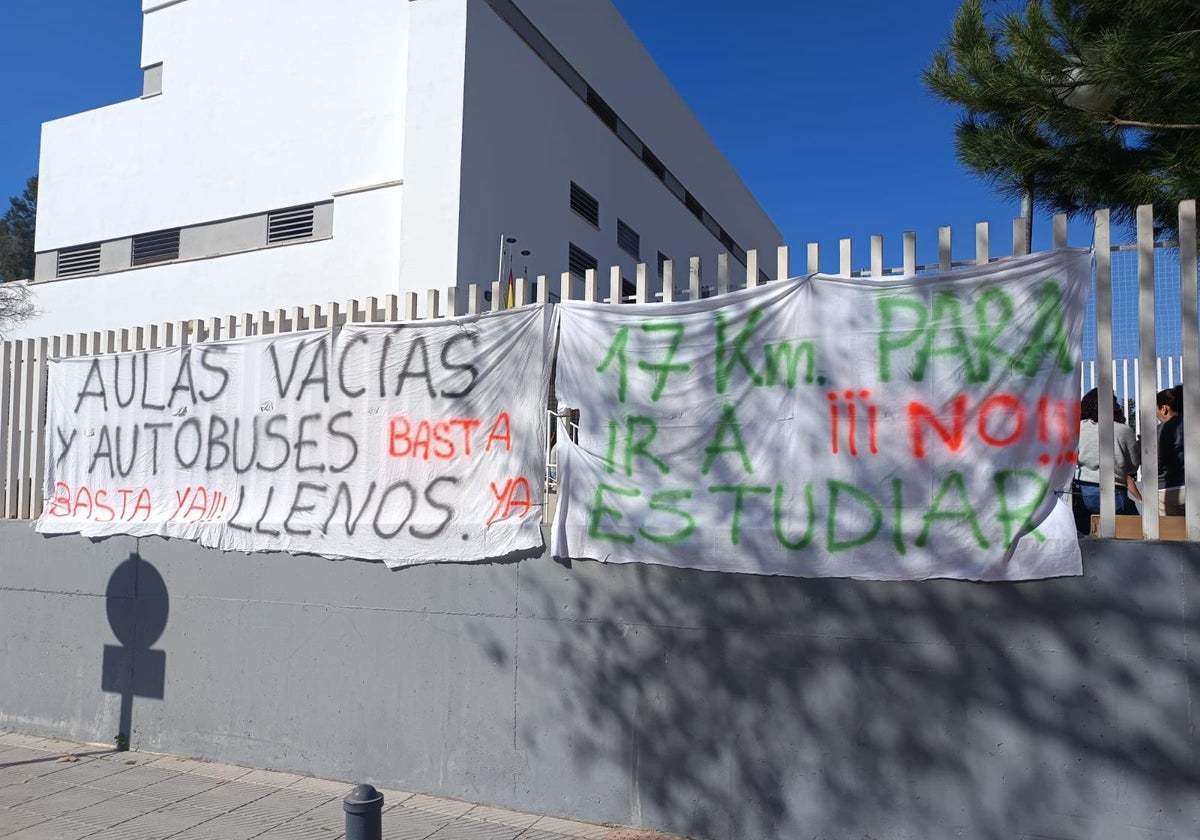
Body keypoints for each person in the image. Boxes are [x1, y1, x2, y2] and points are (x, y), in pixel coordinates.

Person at [1075, 389, 1141, 527]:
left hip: (1082, 490)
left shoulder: (1077, 428)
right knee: (1129, 531)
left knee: (1082, 532)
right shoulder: (1124, 430)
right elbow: (1133, 465)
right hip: (1115, 491)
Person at [1156, 385, 1186, 515]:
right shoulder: (1194, 425)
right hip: (1195, 487)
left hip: (1167, 491)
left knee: (1168, 532)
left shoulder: (1159, 431)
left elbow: (1153, 463)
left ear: (1164, 409)